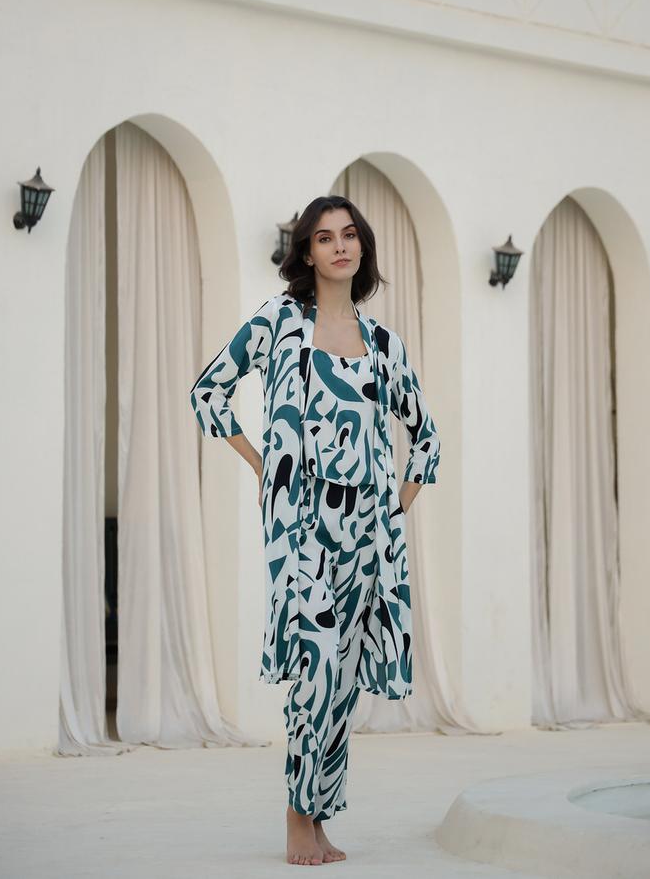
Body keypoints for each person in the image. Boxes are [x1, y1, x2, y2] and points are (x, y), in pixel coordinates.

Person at [189, 195, 440, 865]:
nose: (340, 246)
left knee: (344, 681)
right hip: (302, 532)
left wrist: (393, 512)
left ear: (362, 248)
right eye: (325, 238)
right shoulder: (279, 322)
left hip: (368, 541)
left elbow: (426, 439)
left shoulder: (383, 343)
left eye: (349, 235)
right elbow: (208, 390)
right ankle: (297, 817)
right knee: (317, 671)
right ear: (306, 251)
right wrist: (262, 463)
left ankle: (321, 815)